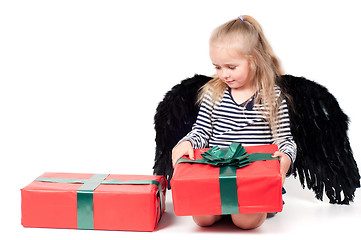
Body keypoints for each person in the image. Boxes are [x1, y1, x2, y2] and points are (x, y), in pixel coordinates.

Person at [171, 15, 297, 230]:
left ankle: (243, 206)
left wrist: (285, 157)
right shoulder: (214, 92)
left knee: (245, 221)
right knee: (203, 219)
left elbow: (284, 139)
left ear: (254, 59)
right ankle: (223, 201)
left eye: (231, 67)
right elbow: (201, 130)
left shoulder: (272, 96)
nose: (223, 74)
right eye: (218, 67)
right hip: (216, 175)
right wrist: (188, 142)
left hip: (254, 177)